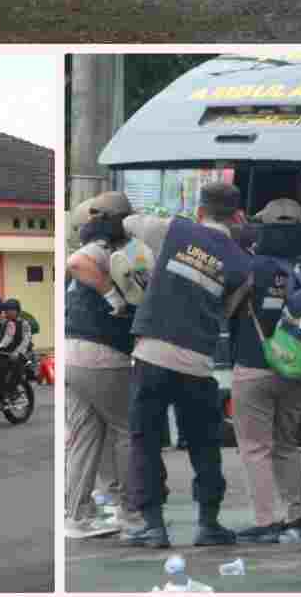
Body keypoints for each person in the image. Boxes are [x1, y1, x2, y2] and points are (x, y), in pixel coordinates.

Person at [122, 183, 256, 550]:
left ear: (200, 211)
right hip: (197, 362)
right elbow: (225, 314)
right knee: (204, 444)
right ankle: (208, 524)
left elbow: (130, 221)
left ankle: (153, 527)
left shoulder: (173, 230)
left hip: (151, 355)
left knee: (144, 441)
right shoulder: (244, 265)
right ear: (237, 216)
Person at [219, 199, 301, 543]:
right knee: (286, 444)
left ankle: (265, 521)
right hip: (297, 368)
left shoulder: (251, 268)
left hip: (254, 367)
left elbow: (226, 311)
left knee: (255, 447)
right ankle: (295, 515)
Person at [65, 191, 140, 540]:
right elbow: (78, 262)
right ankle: (130, 511)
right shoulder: (102, 247)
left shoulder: (103, 246)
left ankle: (77, 516)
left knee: (86, 436)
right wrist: (112, 294)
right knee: (127, 430)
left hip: (73, 354)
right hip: (103, 354)